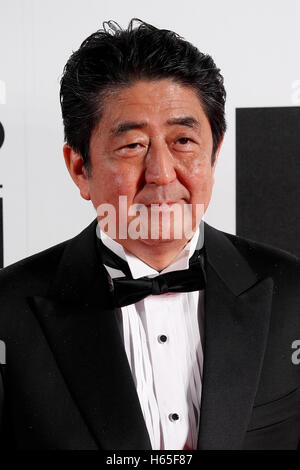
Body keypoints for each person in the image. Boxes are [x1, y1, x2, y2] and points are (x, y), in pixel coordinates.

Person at [0, 18, 300, 451]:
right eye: (132, 145)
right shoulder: (8, 312)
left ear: (214, 153)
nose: (161, 174)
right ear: (79, 168)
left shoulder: (292, 293)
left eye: (183, 140)